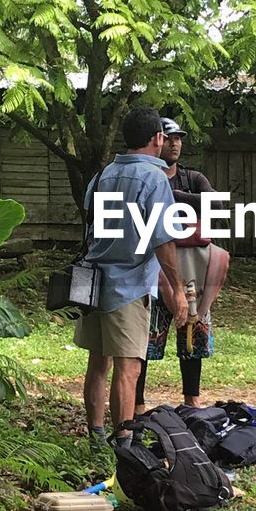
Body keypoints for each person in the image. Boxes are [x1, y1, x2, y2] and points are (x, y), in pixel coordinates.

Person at [75, 106, 188, 446]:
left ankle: (96, 434)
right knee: (129, 368)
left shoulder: (104, 174)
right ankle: (123, 440)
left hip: (93, 284)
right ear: (157, 138)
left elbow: (89, 219)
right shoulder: (154, 178)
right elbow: (164, 240)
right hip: (128, 287)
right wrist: (178, 289)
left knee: (98, 362)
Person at [134, 117, 229, 413]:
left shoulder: (192, 178)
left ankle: (191, 399)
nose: (175, 143)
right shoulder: (145, 178)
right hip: (151, 265)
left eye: (179, 138)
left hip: (191, 269)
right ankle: (136, 403)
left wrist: (173, 195)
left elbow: (218, 205)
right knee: (145, 335)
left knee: (193, 327)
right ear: (158, 141)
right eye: (170, 137)